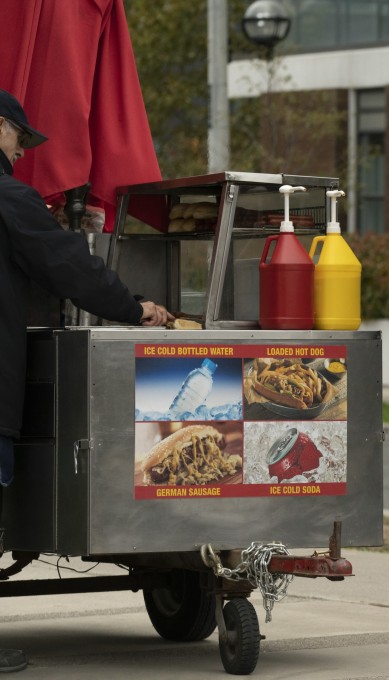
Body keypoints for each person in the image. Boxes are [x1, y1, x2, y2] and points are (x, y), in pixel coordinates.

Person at [0, 89, 172, 673]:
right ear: (0, 127)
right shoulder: (8, 199)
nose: (22, 154)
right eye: (20, 140)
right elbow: (68, 265)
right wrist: (135, 308)